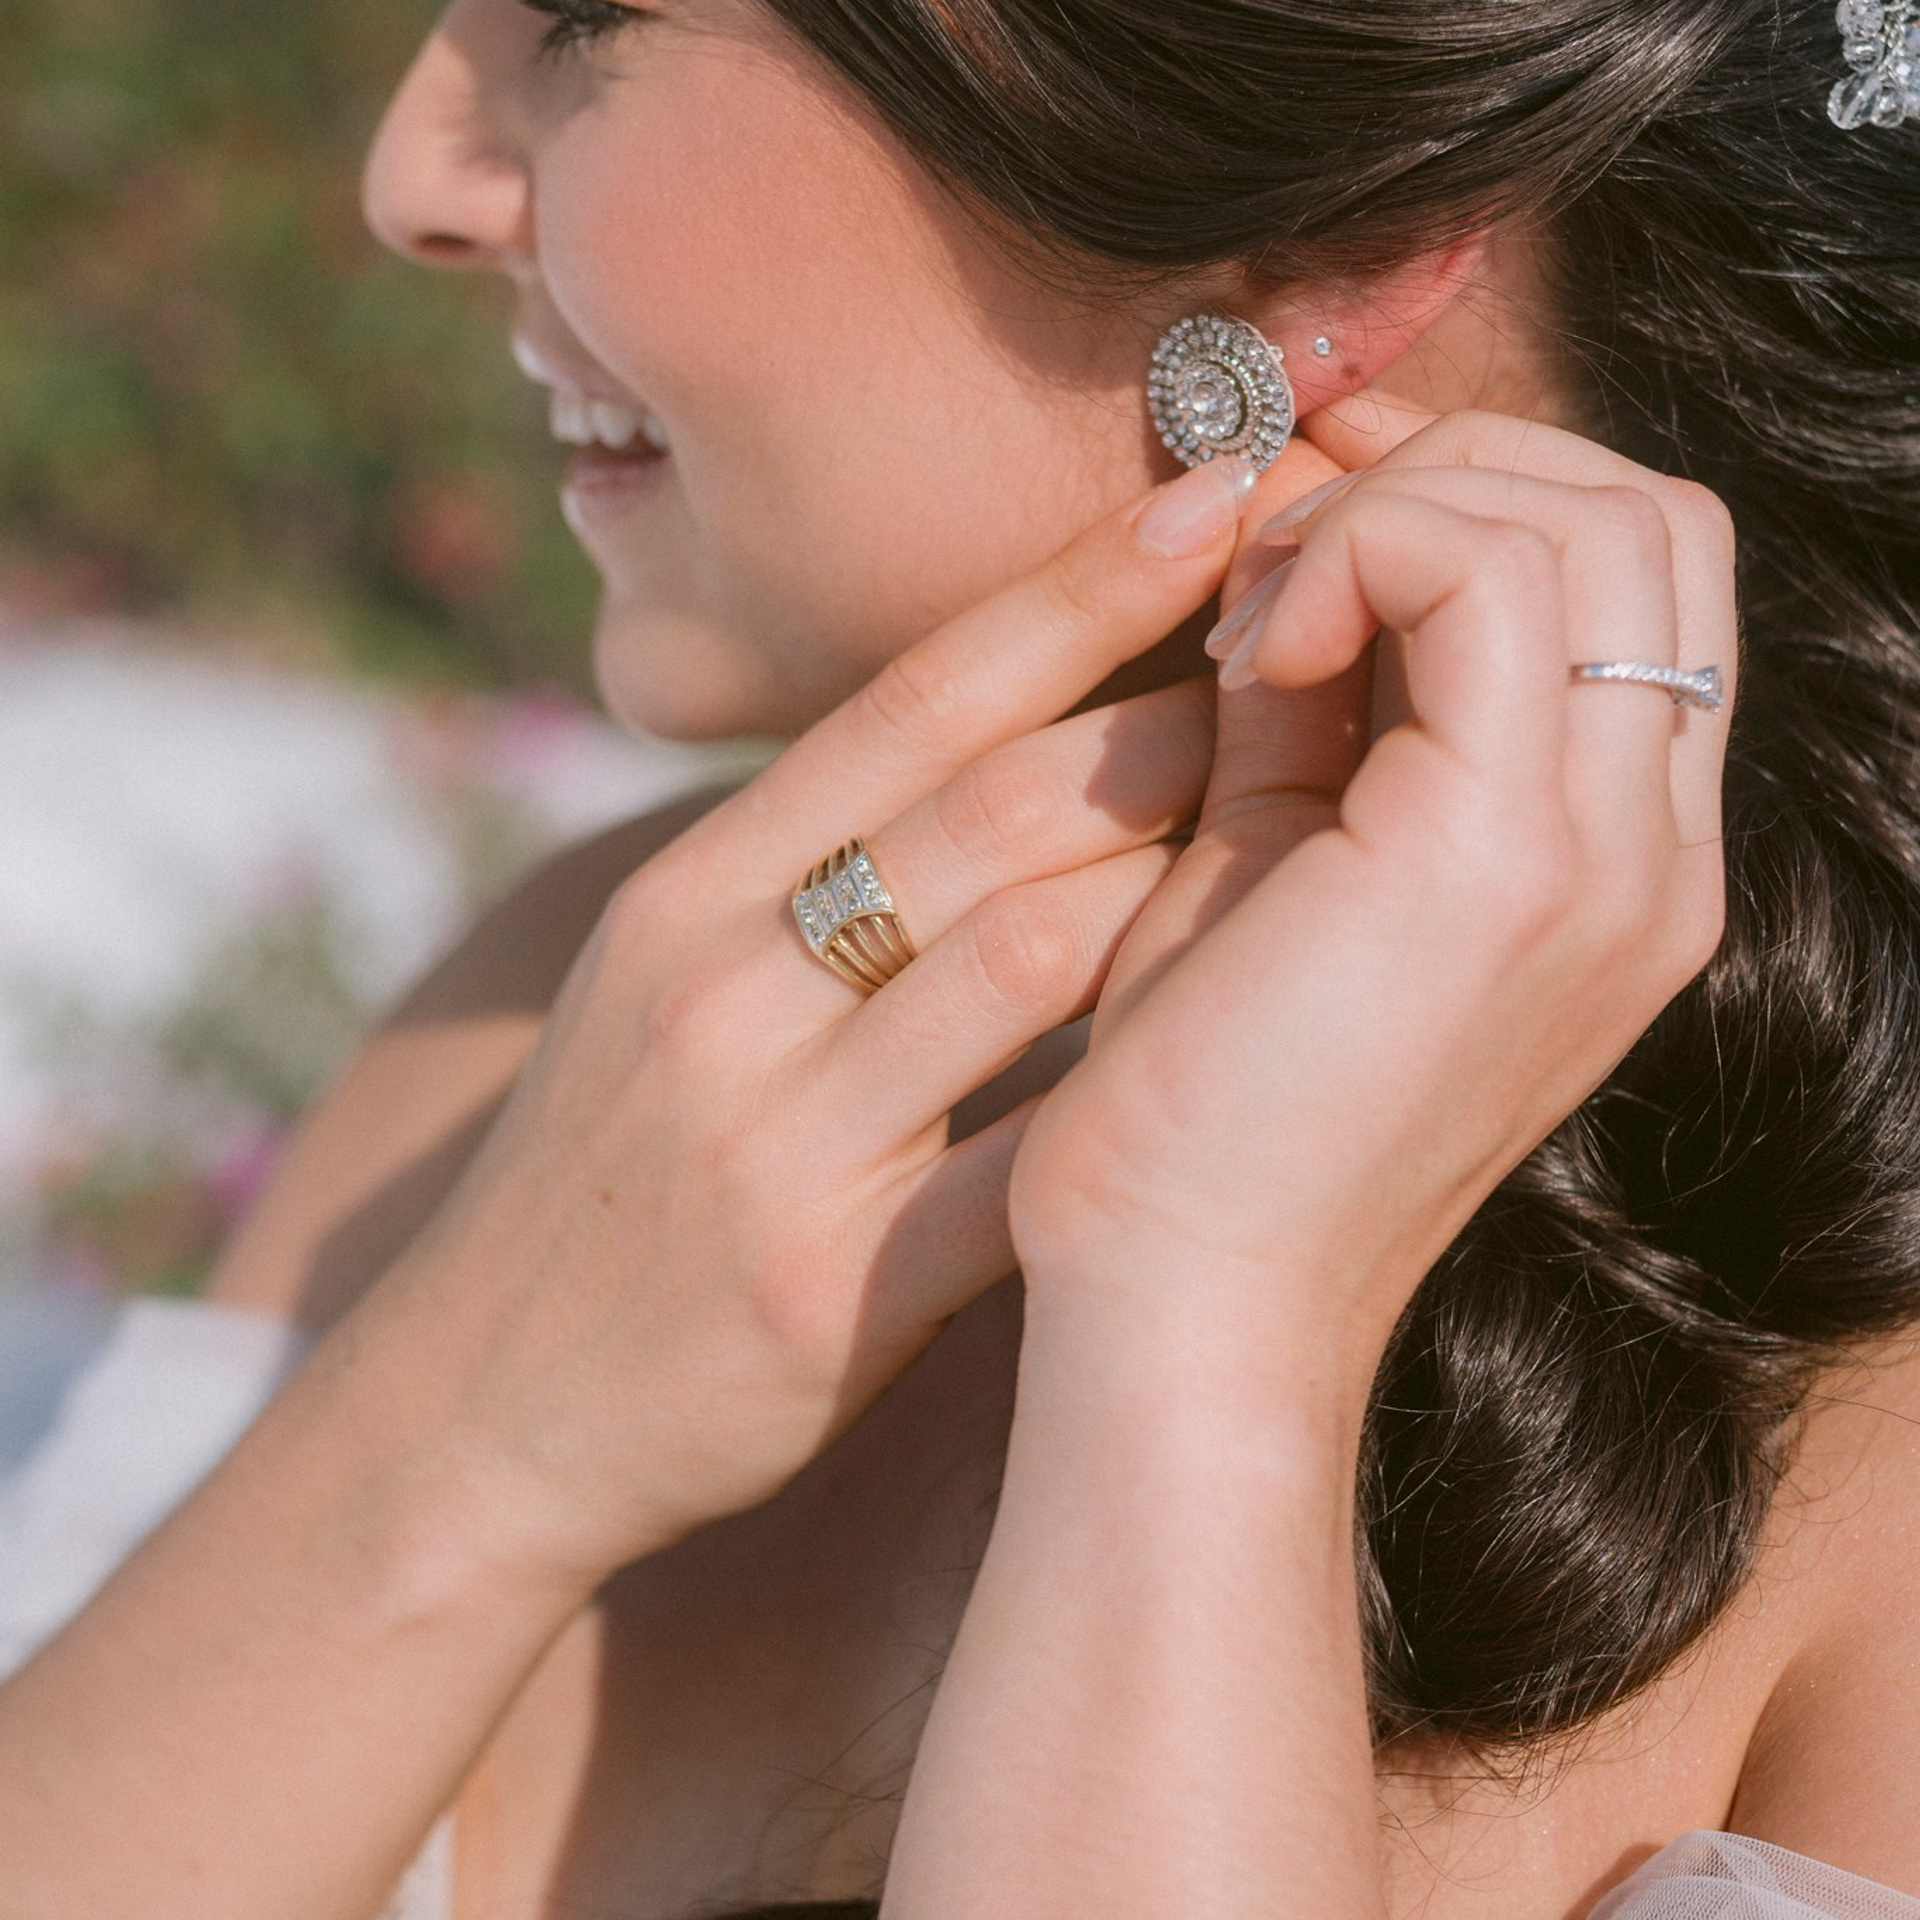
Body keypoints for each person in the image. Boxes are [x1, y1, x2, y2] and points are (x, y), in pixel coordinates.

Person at [3, 0, 1919, 1913]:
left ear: (1334, 242)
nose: (413, 181)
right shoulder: (618, 1008)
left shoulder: (1878, 1461)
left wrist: (1208, 1329)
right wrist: (460, 1446)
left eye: (583, 18)